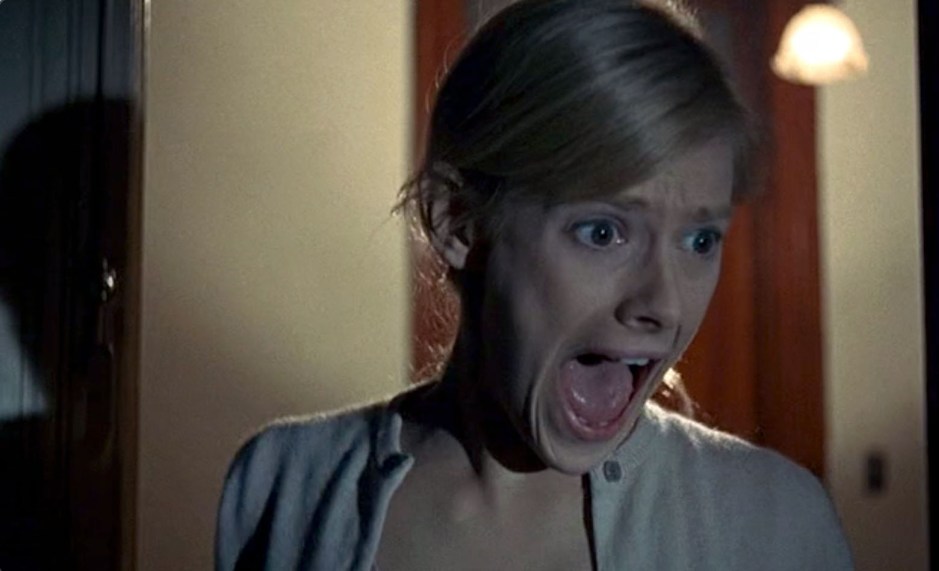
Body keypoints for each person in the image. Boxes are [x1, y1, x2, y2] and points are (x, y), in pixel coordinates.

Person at [216, 1, 855, 569]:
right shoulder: (285, 484)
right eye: (603, 232)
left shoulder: (775, 524)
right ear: (458, 222)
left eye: (699, 241)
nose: (663, 304)